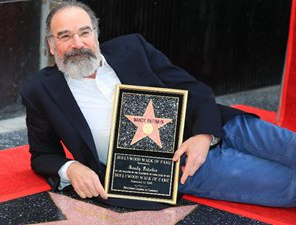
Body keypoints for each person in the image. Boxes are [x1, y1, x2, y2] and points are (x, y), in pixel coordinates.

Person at [21, 0, 296, 209]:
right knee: (289, 186)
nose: (78, 43)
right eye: (65, 36)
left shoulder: (133, 48)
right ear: (51, 45)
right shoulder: (41, 90)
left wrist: (204, 135)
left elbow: (194, 89)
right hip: (178, 168)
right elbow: (43, 155)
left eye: (84, 32)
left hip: (220, 126)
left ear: (96, 34)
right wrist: (71, 168)